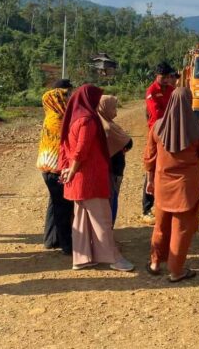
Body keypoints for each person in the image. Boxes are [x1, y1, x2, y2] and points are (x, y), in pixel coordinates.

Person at [60, 85, 134, 272]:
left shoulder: (73, 119)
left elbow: (67, 147)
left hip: (78, 179)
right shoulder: (88, 121)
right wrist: (73, 169)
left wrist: (67, 170)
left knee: (81, 219)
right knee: (102, 219)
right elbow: (82, 150)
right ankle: (114, 258)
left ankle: (81, 258)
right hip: (90, 178)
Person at [143, 88, 199, 281]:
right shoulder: (197, 129)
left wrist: (150, 181)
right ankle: (176, 271)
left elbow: (149, 158)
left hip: (162, 184)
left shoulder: (157, 127)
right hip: (186, 188)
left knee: (161, 225)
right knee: (181, 229)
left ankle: (155, 263)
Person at [37, 80, 74, 255]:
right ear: (58, 97)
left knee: (54, 204)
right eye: (66, 95)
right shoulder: (58, 119)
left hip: (47, 167)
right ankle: (67, 245)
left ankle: (51, 240)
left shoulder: (51, 114)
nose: (69, 98)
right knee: (63, 208)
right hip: (55, 168)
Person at [142, 62, 178, 224]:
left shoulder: (171, 91)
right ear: (156, 76)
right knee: (152, 167)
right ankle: (147, 208)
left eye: (167, 77)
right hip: (156, 134)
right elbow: (156, 114)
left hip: (170, 133)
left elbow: (176, 110)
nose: (165, 80)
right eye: (162, 77)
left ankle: (165, 203)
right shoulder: (151, 91)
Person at [98, 95, 133, 226]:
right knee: (111, 200)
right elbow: (128, 143)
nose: (116, 112)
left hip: (104, 170)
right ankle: (108, 229)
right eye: (113, 108)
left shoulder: (98, 122)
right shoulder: (108, 128)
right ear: (105, 108)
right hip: (112, 170)